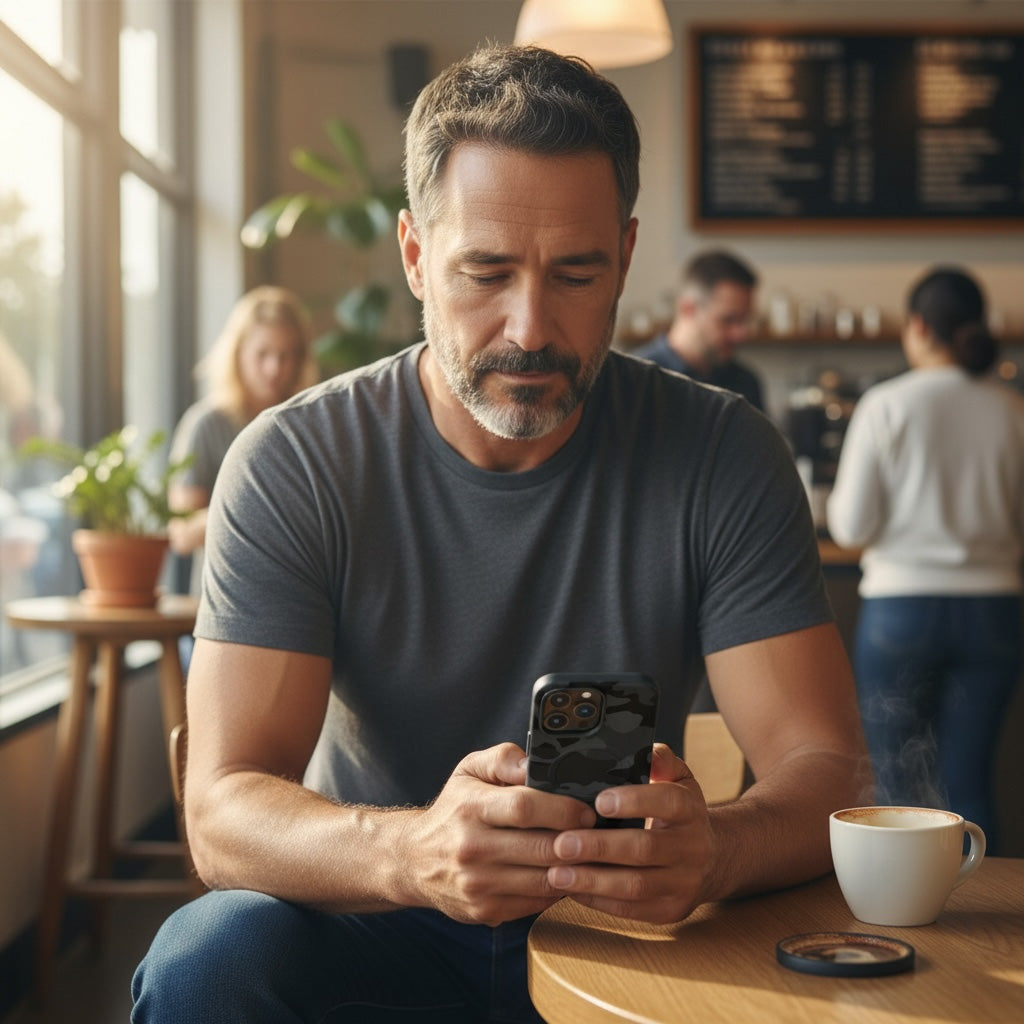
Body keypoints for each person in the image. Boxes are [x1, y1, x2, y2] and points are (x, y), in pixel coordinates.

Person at [132, 45, 867, 1023]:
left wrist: (715, 849)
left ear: (626, 256)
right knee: (204, 960)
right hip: (376, 913)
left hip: (625, 926)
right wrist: (413, 850)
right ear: (414, 256)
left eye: (575, 273)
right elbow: (222, 812)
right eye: (485, 271)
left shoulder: (721, 454)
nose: (530, 326)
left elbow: (828, 772)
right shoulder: (297, 459)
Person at [827, 266, 1024, 851]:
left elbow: (850, 525)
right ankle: (990, 936)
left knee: (893, 784)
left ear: (917, 326)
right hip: (994, 612)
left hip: (901, 612)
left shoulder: (886, 405)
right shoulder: (1012, 410)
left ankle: (895, 920)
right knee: (969, 784)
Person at [167, 285, 318, 595]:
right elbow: (182, 534)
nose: (274, 368)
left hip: (300, 603)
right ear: (237, 354)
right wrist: (261, 510)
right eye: (262, 354)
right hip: (222, 608)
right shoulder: (206, 426)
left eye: (286, 355)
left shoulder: (311, 422)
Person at [631, 249, 765, 411]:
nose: (741, 334)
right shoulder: (636, 379)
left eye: (744, 320)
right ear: (688, 309)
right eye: (728, 320)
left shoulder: (745, 383)